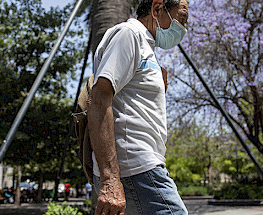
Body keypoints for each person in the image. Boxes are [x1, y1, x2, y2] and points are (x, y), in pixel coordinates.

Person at [87, 0, 189, 214]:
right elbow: (99, 98)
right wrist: (110, 179)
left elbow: (127, 104)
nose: (183, 28)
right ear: (157, 8)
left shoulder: (146, 45)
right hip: (135, 167)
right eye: (181, 19)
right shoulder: (129, 34)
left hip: (141, 167)